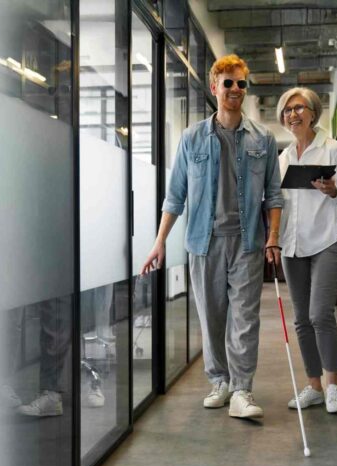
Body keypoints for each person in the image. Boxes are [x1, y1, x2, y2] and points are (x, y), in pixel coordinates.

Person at [141, 54, 283, 420]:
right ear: (214, 86)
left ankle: (241, 389)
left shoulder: (263, 139)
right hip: (204, 243)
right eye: (229, 83)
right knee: (212, 317)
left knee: (245, 319)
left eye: (241, 84)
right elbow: (175, 196)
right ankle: (219, 381)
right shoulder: (192, 138)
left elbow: (274, 195)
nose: (235, 90)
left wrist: (273, 238)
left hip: (248, 242)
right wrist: (159, 242)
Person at [275, 87, 337, 414]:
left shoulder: (334, 150)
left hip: (327, 240)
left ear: (312, 113)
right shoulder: (283, 158)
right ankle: (314, 387)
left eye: (298, 108)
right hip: (293, 245)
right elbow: (278, 202)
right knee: (300, 320)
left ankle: (333, 383)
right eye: (286, 110)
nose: (292, 114)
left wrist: (333, 189)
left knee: (320, 313)